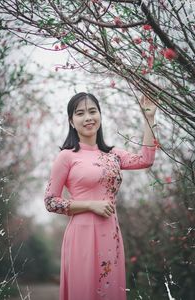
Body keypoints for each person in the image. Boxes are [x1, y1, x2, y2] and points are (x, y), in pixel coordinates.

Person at [44, 92, 157, 300]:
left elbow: (145, 160)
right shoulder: (66, 156)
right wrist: (90, 205)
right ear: (71, 120)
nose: (88, 117)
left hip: (110, 233)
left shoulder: (113, 154)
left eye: (92, 111)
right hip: (82, 235)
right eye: (80, 113)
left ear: (100, 115)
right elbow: (50, 202)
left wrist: (149, 119)